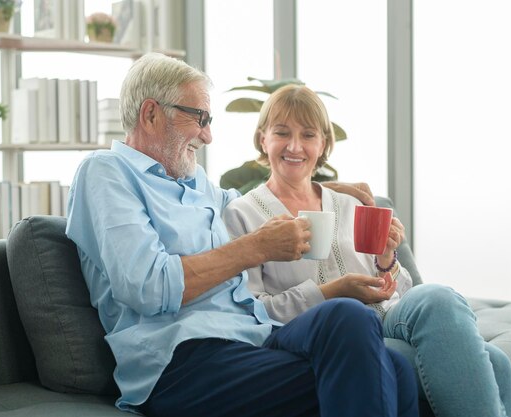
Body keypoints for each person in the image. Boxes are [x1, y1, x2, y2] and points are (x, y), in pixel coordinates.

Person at [65, 52, 419, 417]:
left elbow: (257, 201)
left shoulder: (196, 183)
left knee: (381, 350)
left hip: (251, 336)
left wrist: (324, 186)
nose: (208, 135)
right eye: (198, 117)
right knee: (376, 355)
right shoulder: (106, 173)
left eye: (209, 120)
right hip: (181, 361)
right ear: (151, 114)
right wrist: (253, 248)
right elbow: (147, 286)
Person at [222, 84, 511, 417]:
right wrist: (327, 293)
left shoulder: (351, 205)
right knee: (495, 362)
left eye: (308, 135)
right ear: (263, 139)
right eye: (281, 133)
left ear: (323, 145)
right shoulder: (241, 214)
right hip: (329, 336)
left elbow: (400, 291)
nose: (295, 146)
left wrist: (386, 261)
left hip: (387, 317)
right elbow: (252, 311)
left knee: (439, 298)